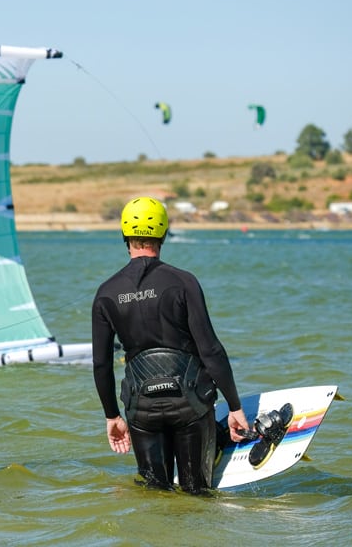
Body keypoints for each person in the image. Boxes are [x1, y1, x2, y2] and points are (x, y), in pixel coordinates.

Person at [91, 197, 249, 494]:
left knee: (154, 493)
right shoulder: (183, 282)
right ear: (163, 232)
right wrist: (235, 406)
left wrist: (112, 415)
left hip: (141, 409)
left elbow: (100, 364)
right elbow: (210, 349)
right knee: (196, 494)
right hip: (189, 403)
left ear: (124, 235)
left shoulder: (106, 293)